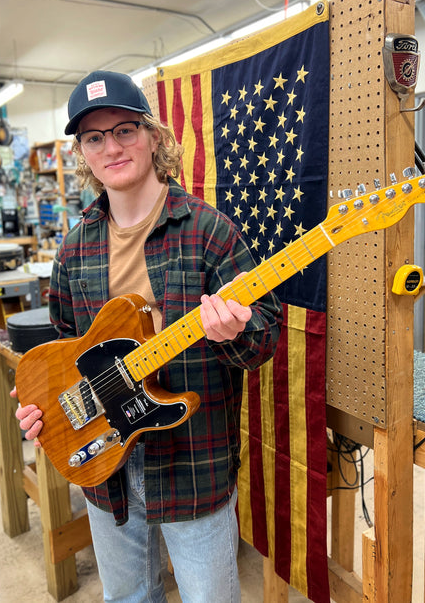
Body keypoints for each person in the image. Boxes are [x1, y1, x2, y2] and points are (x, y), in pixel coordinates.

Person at [14, 70, 283, 603]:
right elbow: (62, 351)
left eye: (124, 130)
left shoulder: (210, 230)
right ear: (82, 153)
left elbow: (263, 339)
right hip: (102, 464)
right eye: (94, 137)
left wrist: (233, 332)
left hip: (193, 462)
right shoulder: (73, 251)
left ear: (154, 136)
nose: (111, 147)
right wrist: (40, 407)